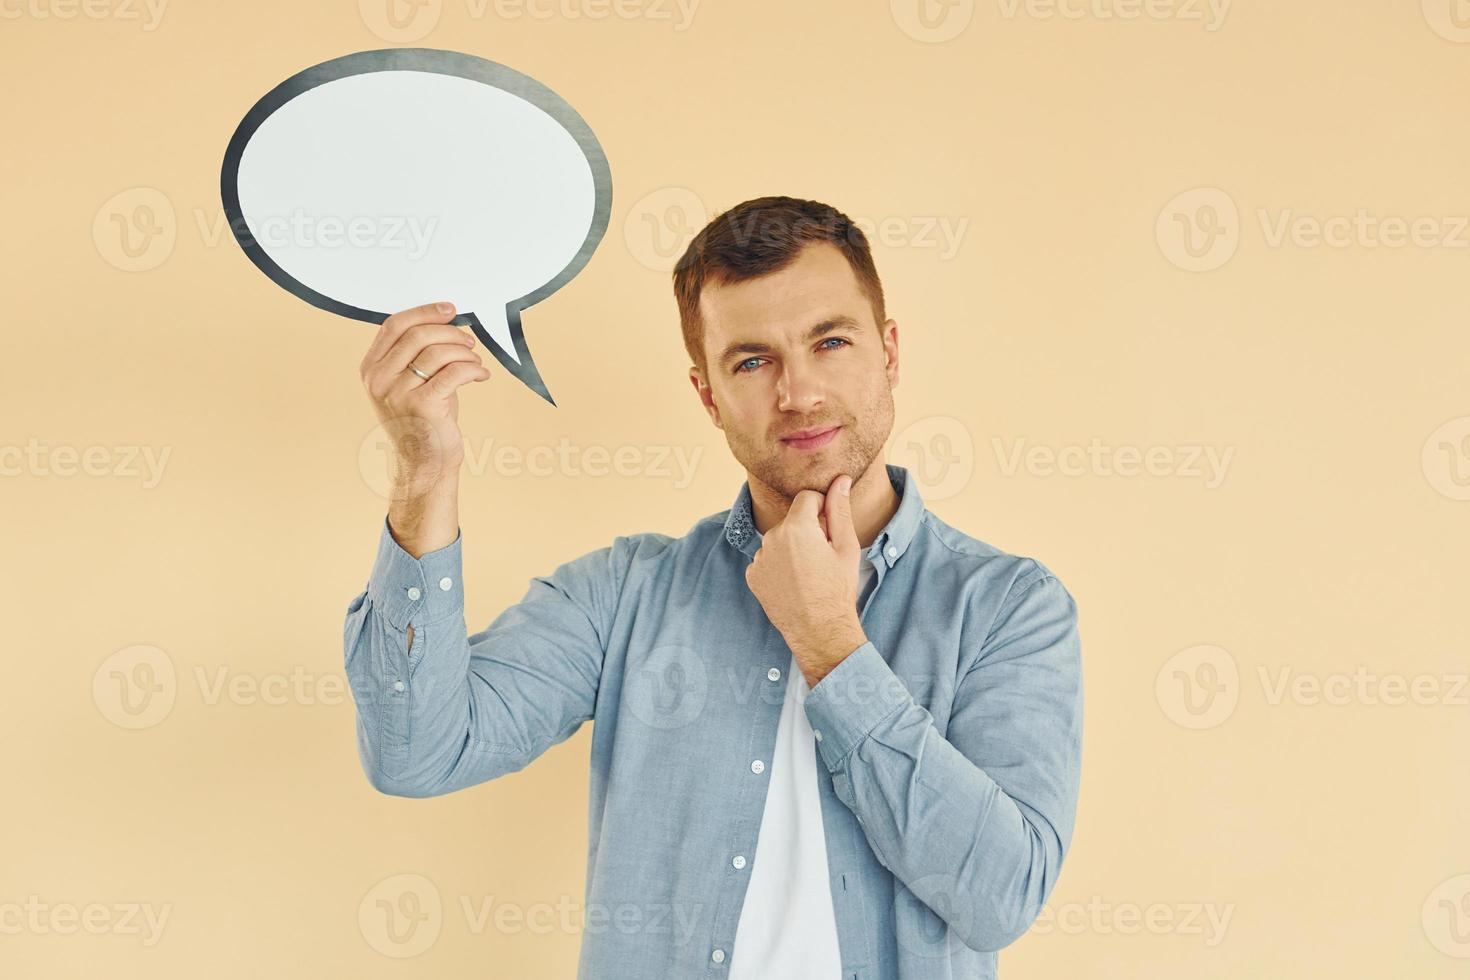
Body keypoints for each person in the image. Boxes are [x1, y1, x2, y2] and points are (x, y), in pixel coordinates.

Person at [344, 196, 1083, 979]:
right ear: (708, 395)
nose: (798, 393)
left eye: (830, 342)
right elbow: (415, 754)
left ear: (889, 354)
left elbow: (1001, 897)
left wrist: (830, 641)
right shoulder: (625, 593)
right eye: (753, 360)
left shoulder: (1008, 608)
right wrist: (425, 472)